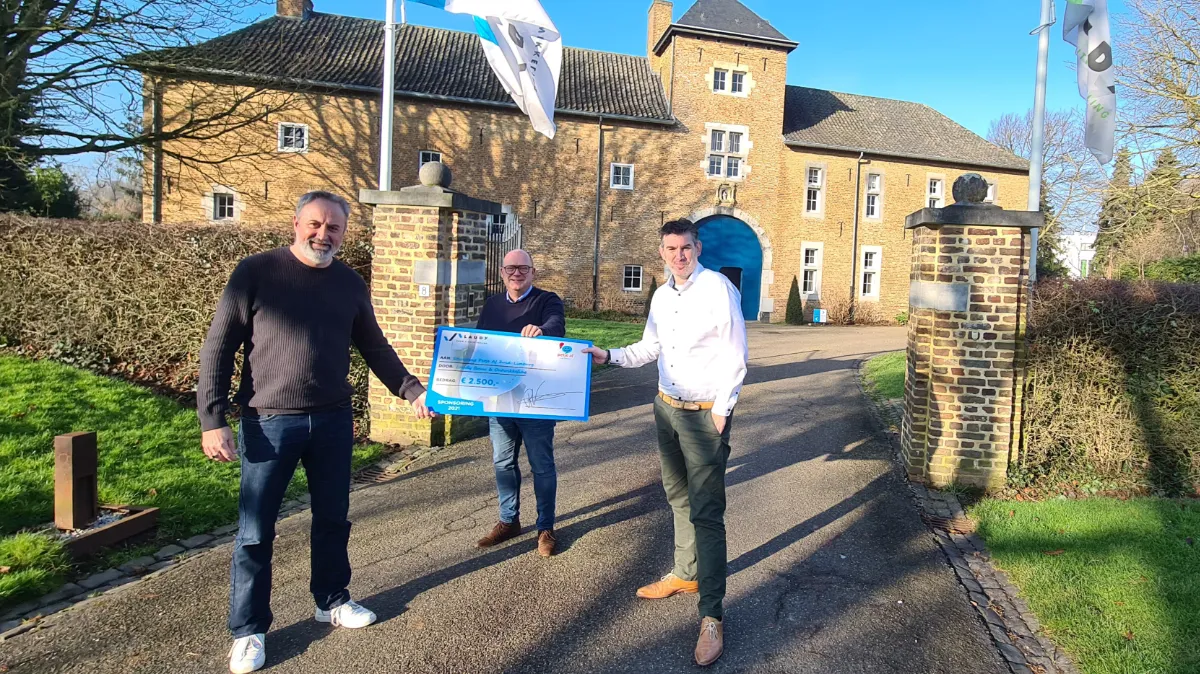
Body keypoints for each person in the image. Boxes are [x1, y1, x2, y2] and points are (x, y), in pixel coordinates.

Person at [198, 191, 434, 674]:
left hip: (331, 421)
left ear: (344, 234)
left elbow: (374, 344)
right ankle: (249, 630)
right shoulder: (256, 272)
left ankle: (331, 600)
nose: (323, 235)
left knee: (333, 518)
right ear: (296, 223)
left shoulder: (349, 283)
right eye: (315, 224)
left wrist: (411, 390)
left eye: (334, 228)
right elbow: (218, 347)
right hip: (268, 422)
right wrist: (213, 418)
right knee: (254, 531)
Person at [582, 218, 747, 667]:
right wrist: (609, 356)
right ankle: (685, 573)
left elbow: (736, 354)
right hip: (665, 408)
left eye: (686, 248)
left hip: (703, 414)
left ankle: (711, 615)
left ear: (698, 247)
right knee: (676, 497)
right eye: (671, 248)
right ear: (662, 252)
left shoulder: (717, 290)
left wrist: (721, 409)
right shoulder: (660, 295)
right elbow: (650, 346)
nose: (679, 255)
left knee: (707, 514)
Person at [473, 249, 566, 557]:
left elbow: (556, 325)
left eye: (523, 268)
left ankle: (545, 528)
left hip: (535, 398)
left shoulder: (546, 300)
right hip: (500, 398)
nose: (517, 273)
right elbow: (480, 345)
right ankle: (508, 520)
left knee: (542, 465)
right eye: (511, 268)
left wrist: (542, 330)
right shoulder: (492, 305)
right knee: (502, 462)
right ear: (502, 273)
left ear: (532, 272)